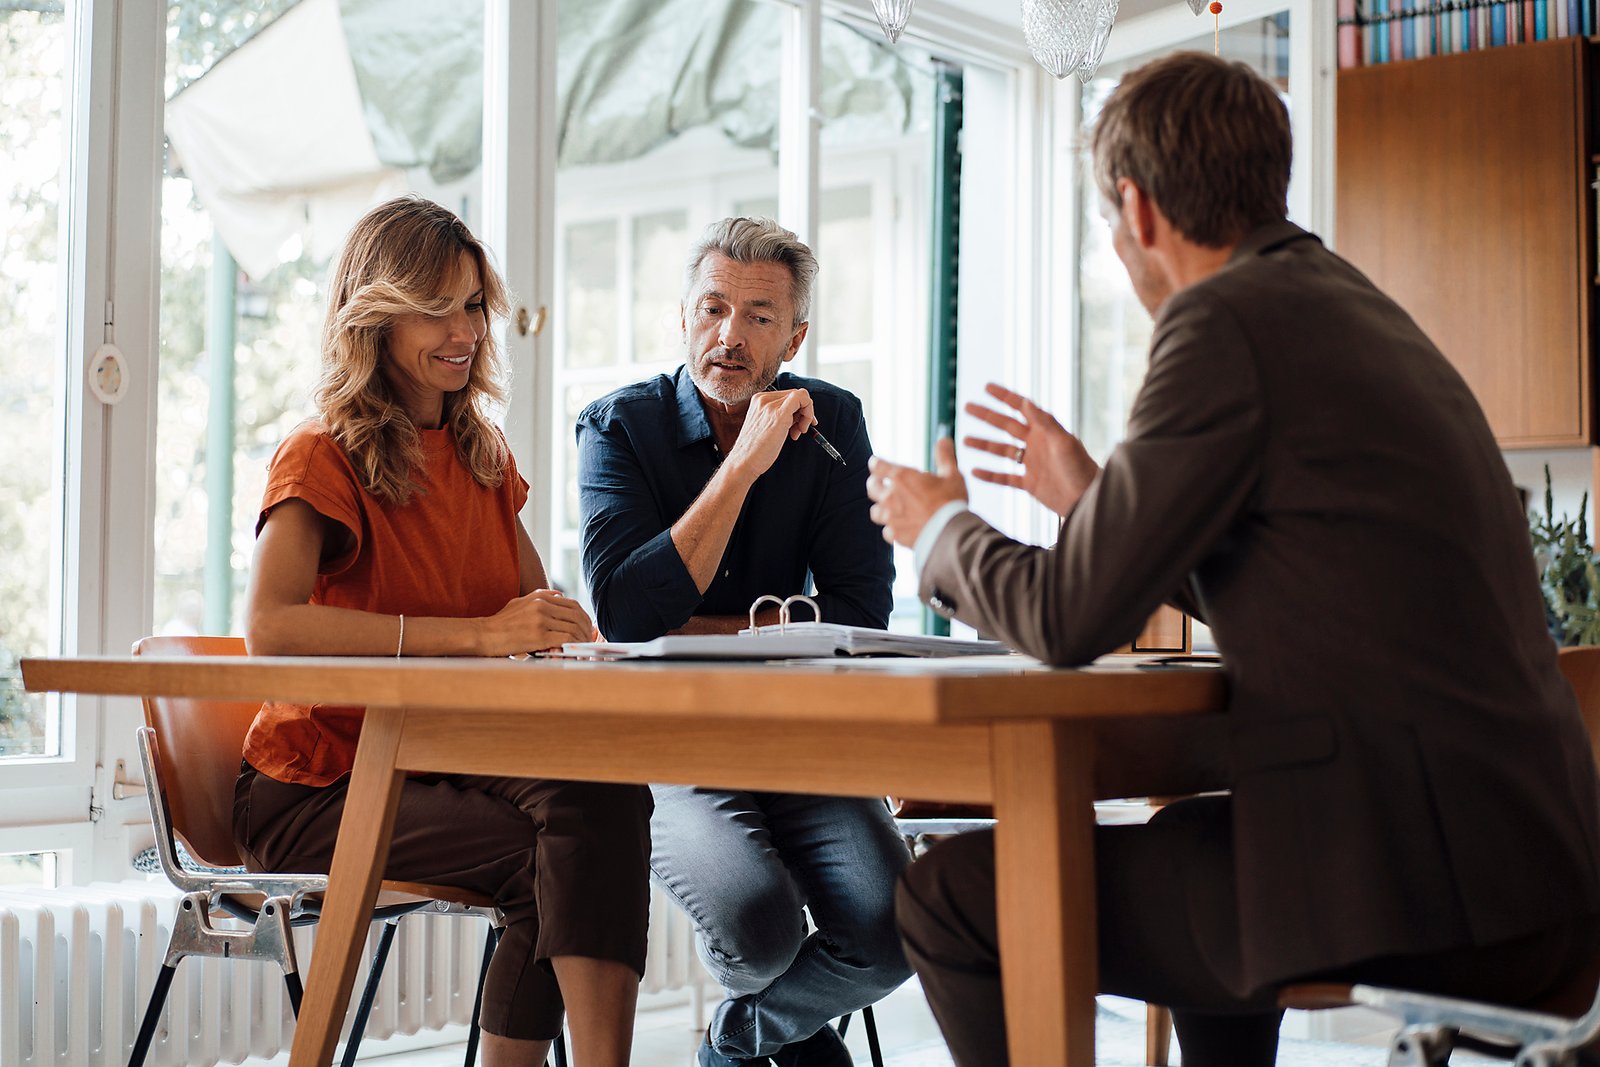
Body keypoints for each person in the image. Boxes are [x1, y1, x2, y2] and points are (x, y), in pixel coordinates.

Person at [865, 53, 1600, 1067]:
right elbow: (1303, 568)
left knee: (951, 897)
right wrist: (1093, 495)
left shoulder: (1218, 322)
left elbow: (1068, 618)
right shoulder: (1350, 304)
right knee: (1203, 841)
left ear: (1138, 207)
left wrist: (940, 525)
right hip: (1527, 869)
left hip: (1414, 885)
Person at [234, 196, 652, 1067]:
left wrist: (571, 639)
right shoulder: (322, 452)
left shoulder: (484, 454)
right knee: (561, 855)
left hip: (437, 753)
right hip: (320, 784)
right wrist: (480, 637)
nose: (462, 329)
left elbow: (530, 611)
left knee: (603, 795)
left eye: (471, 304)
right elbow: (269, 627)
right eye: (435, 307)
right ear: (376, 316)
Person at [577, 217, 911, 1067]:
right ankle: (792, 1046)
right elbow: (623, 610)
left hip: (798, 740)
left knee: (896, 929)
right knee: (758, 930)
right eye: (713, 308)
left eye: (758, 316)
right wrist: (742, 467)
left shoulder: (832, 420)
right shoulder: (617, 429)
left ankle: (734, 1043)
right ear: (682, 317)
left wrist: (698, 629)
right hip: (668, 748)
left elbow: (860, 609)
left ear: (794, 335)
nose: (729, 335)